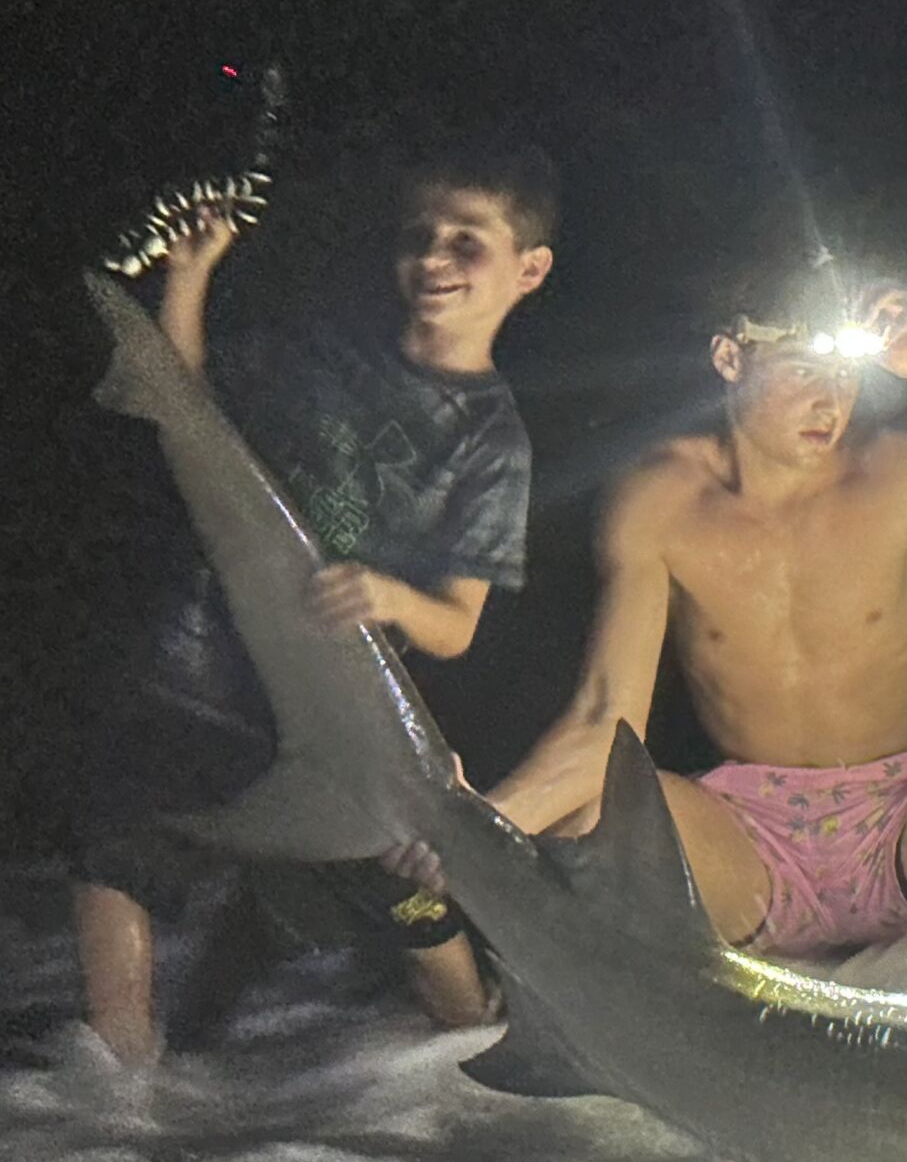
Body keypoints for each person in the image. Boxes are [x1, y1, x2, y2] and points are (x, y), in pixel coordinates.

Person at [483, 268, 907, 988]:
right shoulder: (661, 499)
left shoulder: (903, 467)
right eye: (803, 369)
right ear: (729, 358)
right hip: (748, 843)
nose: (829, 401)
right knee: (581, 825)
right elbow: (603, 723)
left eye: (844, 374)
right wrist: (473, 825)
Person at [71, 140, 558, 1064]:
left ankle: (466, 1080)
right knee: (119, 836)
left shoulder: (495, 441)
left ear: (528, 270)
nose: (435, 259)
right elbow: (186, 407)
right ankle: (112, 1095)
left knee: (429, 929)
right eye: (422, 237)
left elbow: (454, 628)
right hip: (209, 659)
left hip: (352, 714)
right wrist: (188, 277)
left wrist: (389, 597)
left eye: (469, 243)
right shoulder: (326, 353)